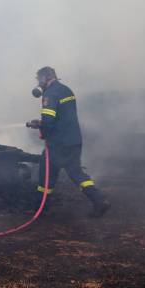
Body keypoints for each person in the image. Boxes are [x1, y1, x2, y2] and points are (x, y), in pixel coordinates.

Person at [26, 66, 110, 217]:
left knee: (46, 173)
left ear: (46, 78)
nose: (38, 83)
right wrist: (43, 123)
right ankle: (99, 199)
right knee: (76, 172)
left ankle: (41, 207)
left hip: (58, 143)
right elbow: (62, 116)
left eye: (39, 79)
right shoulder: (66, 90)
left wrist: (39, 125)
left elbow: (49, 121)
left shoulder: (50, 94)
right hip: (73, 140)